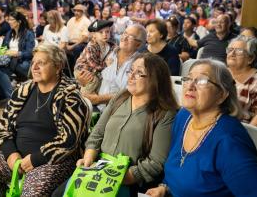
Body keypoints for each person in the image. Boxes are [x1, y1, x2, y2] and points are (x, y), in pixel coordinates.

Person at [53, 52, 178, 197]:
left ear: (155, 79)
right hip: (98, 168)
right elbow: (97, 134)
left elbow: (155, 163)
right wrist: (88, 158)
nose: (130, 76)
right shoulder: (121, 97)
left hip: (127, 178)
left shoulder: (164, 114)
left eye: (139, 73)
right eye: (131, 70)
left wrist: (118, 177)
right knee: (58, 194)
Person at [146, 59, 257, 197]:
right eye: (188, 78)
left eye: (202, 81)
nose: (190, 85)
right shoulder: (184, 116)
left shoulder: (229, 141)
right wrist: (165, 188)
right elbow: (178, 168)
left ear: (222, 95)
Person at [0, 43, 90, 196]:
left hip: (52, 161)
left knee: (33, 193)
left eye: (41, 63)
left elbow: (69, 141)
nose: (34, 67)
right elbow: (3, 129)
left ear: (58, 67)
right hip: (16, 156)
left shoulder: (70, 97)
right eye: (33, 63)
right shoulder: (22, 91)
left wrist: (35, 159)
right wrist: (11, 154)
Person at [82, 24, 146, 111]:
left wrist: (98, 99)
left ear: (138, 44)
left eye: (130, 36)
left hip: (118, 110)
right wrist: (84, 80)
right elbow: (92, 71)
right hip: (95, 105)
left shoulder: (140, 63)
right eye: (124, 33)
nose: (124, 37)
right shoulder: (108, 52)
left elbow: (131, 92)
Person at [226, 35, 257, 129]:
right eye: (230, 49)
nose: (232, 53)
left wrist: (243, 135)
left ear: (250, 58)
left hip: (239, 131)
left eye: (239, 51)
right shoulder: (219, 72)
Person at [0, 11, 36, 101]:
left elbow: (30, 53)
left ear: (19, 21)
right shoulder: (9, 33)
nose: (9, 21)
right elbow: (4, 48)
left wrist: (17, 53)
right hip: (10, 61)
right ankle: (6, 95)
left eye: (11, 20)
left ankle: (11, 98)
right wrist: (2, 50)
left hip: (23, 63)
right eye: (8, 19)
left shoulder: (28, 34)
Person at [74, 19, 115, 94]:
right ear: (94, 35)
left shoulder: (109, 45)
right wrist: (106, 65)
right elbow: (93, 64)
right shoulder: (91, 46)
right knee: (93, 81)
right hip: (83, 69)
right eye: (101, 32)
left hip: (96, 70)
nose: (105, 34)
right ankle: (82, 97)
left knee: (101, 82)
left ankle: (93, 97)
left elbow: (114, 49)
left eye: (107, 32)